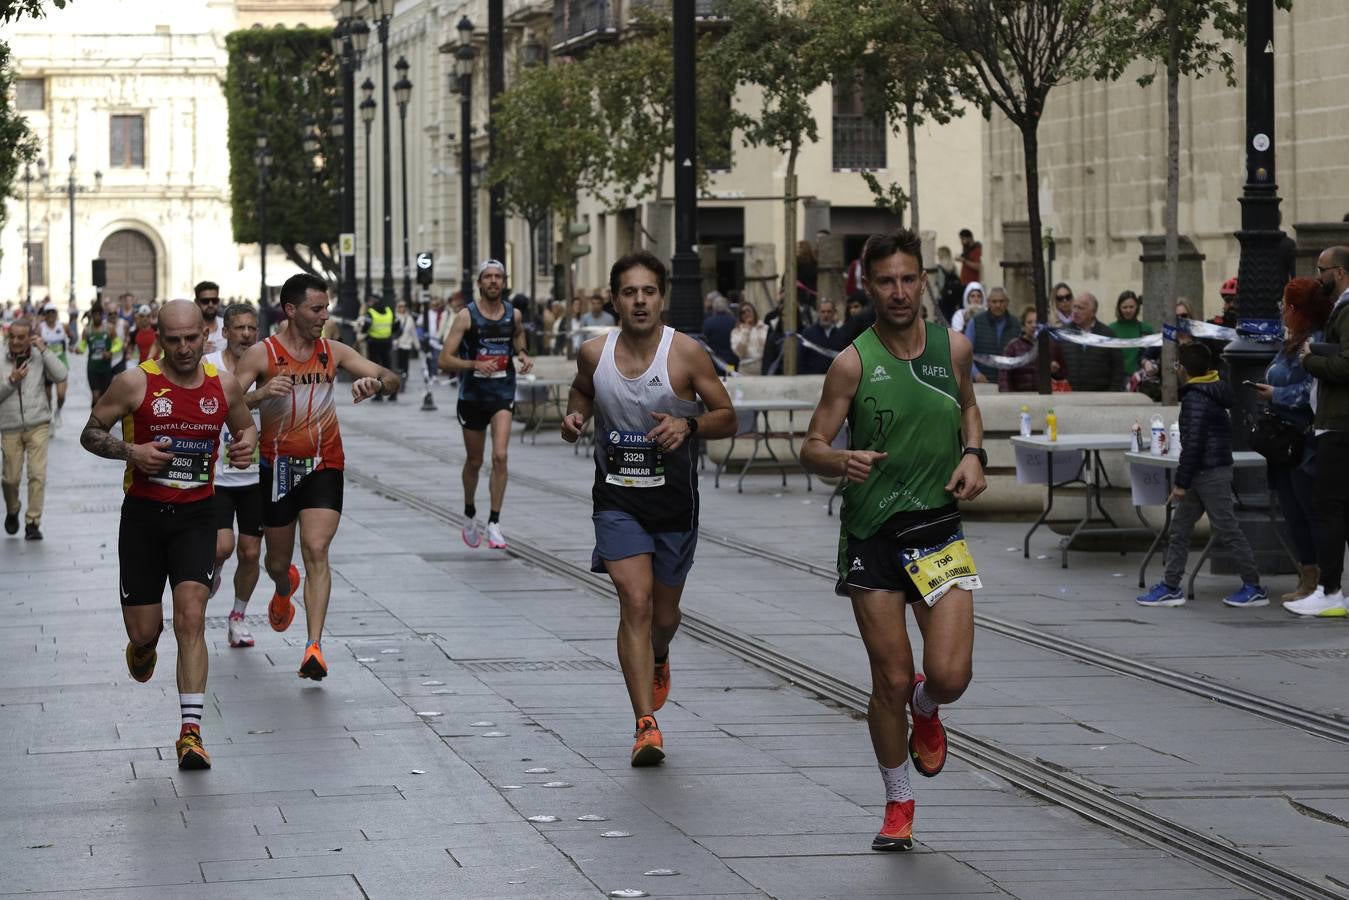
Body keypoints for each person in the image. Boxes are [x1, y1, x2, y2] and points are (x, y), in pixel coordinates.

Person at [799, 229, 985, 853]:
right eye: (886, 281)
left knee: (950, 675)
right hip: (872, 534)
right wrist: (839, 459)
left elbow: (968, 406)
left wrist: (975, 454)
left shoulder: (953, 348)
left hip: (936, 527)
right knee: (891, 680)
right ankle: (898, 801)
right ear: (868, 286)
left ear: (924, 281)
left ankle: (928, 710)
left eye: (908, 279)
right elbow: (811, 446)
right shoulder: (852, 362)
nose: (899, 291)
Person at [561, 250, 736, 767]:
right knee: (634, 601)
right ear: (614, 300)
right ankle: (645, 724)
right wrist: (574, 417)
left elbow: (728, 416)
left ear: (662, 298)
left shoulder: (685, 354)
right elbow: (581, 391)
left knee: (664, 614)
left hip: (673, 503)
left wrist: (690, 424)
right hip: (617, 500)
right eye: (629, 292)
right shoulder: (594, 354)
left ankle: (660, 652)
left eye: (649, 292)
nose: (640, 301)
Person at [80, 299, 257, 769]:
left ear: (206, 335)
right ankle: (143, 645)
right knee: (145, 630)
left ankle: (191, 733)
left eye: (191, 338)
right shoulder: (135, 382)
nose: (183, 348)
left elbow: (245, 430)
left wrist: (244, 447)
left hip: (197, 516)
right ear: (159, 338)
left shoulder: (224, 385)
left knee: (191, 617)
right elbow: (90, 432)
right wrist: (131, 452)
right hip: (143, 519)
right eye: (173, 340)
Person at [233, 273, 400, 680]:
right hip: (279, 468)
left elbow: (392, 376)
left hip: (324, 464)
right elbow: (224, 403)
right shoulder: (261, 354)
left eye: (326, 308)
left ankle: (314, 647)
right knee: (277, 561)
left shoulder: (333, 350)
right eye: (317, 309)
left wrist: (375, 384)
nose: (325, 316)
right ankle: (283, 586)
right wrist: (261, 394)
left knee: (316, 549)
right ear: (291, 310)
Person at [1137, 343, 1267, 608]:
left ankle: (1253, 587)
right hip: (1204, 472)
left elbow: (1193, 444)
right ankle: (1171, 585)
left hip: (1209, 473)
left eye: (1176, 365)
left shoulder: (1196, 398)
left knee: (1227, 529)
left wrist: (1181, 484)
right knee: (1180, 529)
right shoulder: (1212, 389)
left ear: (1183, 369)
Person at [437, 260, 533, 550]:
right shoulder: (466, 316)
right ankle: (469, 512)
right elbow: (444, 359)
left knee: (500, 456)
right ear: (479, 283)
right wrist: (475, 364)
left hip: (502, 392)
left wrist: (523, 353)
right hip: (472, 397)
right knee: (475, 461)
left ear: (504, 282)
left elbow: (517, 334)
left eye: (498, 277)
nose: (493, 281)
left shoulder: (513, 315)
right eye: (488, 277)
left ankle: (494, 522)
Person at [1252, 278, 1331, 606]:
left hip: (1303, 441)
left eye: (1285, 305)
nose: (1281, 310)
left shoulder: (1316, 341)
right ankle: (1306, 577)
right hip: (1282, 441)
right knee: (1291, 510)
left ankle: (1323, 583)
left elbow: (1312, 391)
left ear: (1297, 309)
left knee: (1308, 509)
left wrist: (1277, 394)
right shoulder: (1291, 340)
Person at [1289, 246, 1349, 617]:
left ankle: (1329, 592)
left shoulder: (1347, 309)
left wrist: (1310, 359)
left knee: (1327, 508)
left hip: (1338, 425)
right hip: (1338, 423)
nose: (1318, 276)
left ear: (1339, 272)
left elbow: (1347, 365)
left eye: (1321, 269)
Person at [204, 303, 265, 649]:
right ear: (225, 332)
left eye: (252, 328)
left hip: (256, 476)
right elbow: (220, 405)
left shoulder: (267, 367)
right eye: (239, 328)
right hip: (218, 476)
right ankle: (214, 569)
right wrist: (261, 395)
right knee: (222, 546)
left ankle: (238, 616)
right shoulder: (209, 366)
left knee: (251, 553)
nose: (246, 334)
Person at [2, 318, 68, 540]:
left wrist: (44, 349)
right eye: (12, 336)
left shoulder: (39, 355)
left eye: (21, 337)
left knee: (37, 474)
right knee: (10, 479)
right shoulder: (1, 357)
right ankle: (13, 509)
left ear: (29, 337)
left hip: (38, 422)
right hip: (9, 425)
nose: (16, 341)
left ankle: (33, 522)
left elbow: (61, 374)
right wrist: (11, 381)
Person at [1058, 293, 1124, 391]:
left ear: (1093, 312)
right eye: (1074, 307)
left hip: (1100, 395)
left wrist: (1112, 393)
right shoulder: (1063, 333)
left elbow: (1118, 368)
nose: (1075, 311)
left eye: (1080, 308)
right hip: (1069, 394)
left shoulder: (1107, 334)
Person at [964, 286, 1012, 382]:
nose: (998, 305)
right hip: (982, 382)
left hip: (1008, 382)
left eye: (1001, 301)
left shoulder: (1015, 323)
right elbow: (966, 353)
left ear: (1007, 303)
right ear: (988, 302)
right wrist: (976, 374)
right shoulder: (976, 322)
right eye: (994, 302)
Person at [78, 305, 121, 406]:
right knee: (95, 395)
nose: (97, 317)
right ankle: (94, 414)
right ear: (92, 315)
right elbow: (82, 346)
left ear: (102, 315)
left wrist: (110, 352)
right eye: (95, 314)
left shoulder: (109, 328)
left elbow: (118, 343)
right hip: (92, 368)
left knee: (104, 396)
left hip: (106, 368)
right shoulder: (87, 331)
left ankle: (101, 414)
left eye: (99, 314)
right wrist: (78, 349)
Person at [36, 303, 71, 425]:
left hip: (61, 364)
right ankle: (49, 417)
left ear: (56, 313)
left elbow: (72, 337)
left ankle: (58, 411)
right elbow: (35, 343)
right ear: (45, 315)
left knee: (61, 395)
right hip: (46, 365)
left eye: (53, 312)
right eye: (48, 312)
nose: (51, 314)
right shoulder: (40, 328)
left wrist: (71, 344)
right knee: (48, 396)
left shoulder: (63, 326)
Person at [799, 298, 850, 375]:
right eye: (823, 312)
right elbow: (801, 360)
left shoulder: (841, 335)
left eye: (829, 312)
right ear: (818, 313)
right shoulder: (808, 333)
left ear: (834, 313)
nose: (826, 315)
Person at [361, 293, 396, 401]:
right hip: (387, 342)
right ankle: (393, 393)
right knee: (388, 367)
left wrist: (363, 332)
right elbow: (395, 325)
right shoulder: (389, 311)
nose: (369, 303)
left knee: (376, 369)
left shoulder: (371, 312)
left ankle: (378, 394)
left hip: (374, 343)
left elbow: (366, 327)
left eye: (370, 301)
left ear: (374, 301)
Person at [1110, 290, 1153, 375]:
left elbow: (1152, 354)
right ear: (1119, 308)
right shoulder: (1111, 329)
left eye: (1131, 307)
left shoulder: (1146, 329)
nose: (1128, 310)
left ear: (1137, 307)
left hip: (1140, 377)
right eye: (1124, 307)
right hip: (1116, 377)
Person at [701, 292, 739, 371]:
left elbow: (705, 339)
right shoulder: (734, 321)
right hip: (731, 359)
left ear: (714, 307)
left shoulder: (708, 322)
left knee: (718, 377)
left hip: (715, 360)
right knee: (729, 375)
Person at [731, 302, 768, 373]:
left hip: (763, 367)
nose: (746, 314)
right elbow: (740, 352)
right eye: (743, 312)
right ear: (740, 316)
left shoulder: (765, 328)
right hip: (745, 368)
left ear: (754, 312)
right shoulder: (736, 331)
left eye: (748, 310)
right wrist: (746, 332)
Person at [193, 282, 226, 355]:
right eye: (205, 301)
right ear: (196, 302)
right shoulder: (188, 328)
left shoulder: (227, 325)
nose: (210, 305)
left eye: (214, 301)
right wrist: (196, 350)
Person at [394, 299, 419, 395]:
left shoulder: (409, 319)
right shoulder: (394, 317)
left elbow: (413, 333)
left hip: (406, 345)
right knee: (397, 365)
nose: (402, 308)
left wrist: (417, 345)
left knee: (405, 365)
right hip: (396, 345)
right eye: (400, 306)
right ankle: (398, 382)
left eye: (404, 306)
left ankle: (403, 382)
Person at [933, 246, 962, 325]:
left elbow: (940, 284)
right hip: (954, 297)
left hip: (943, 297)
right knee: (951, 318)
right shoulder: (953, 266)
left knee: (943, 319)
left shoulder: (939, 267)